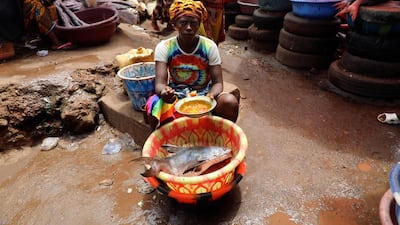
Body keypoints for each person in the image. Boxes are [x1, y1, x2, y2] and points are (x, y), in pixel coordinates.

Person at [144, 0, 239, 130]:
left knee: (230, 102)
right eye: (183, 23)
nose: (188, 27)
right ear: (174, 24)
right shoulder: (164, 47)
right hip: (176, 94)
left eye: (193, 23)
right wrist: (164, 92)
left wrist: (210, 96)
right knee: (153, 105)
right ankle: (163, 142)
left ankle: (221, 136)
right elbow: (160, 83)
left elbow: (218, 83)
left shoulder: (209, 46)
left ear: (199, 24)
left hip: (204, 92)